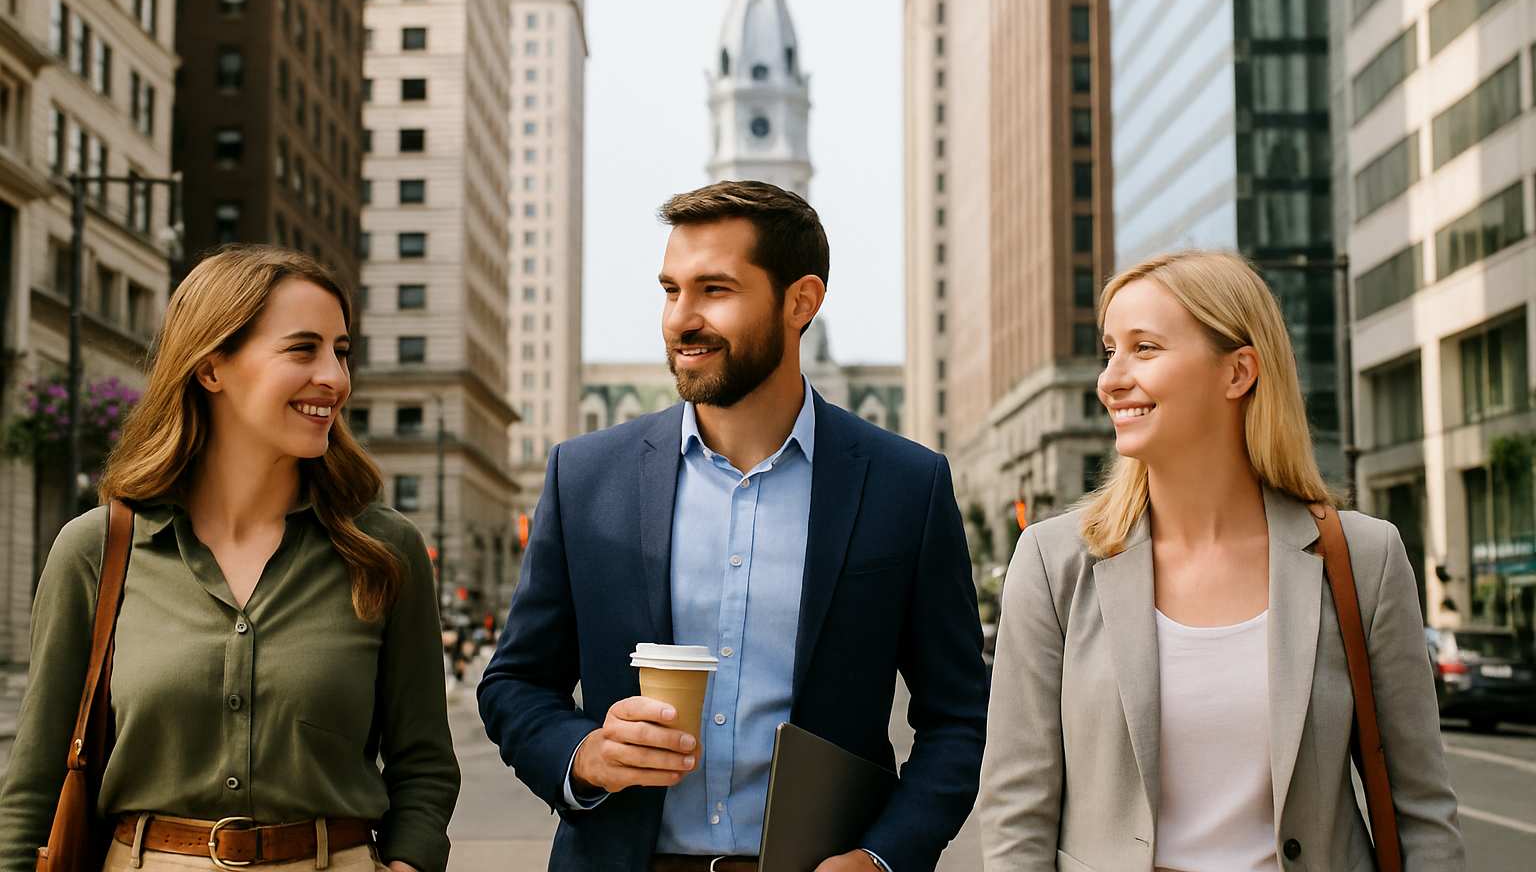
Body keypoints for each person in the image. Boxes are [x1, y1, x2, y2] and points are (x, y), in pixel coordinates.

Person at [478, 182, 988, 871]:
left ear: (799, 302)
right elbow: (514, 684)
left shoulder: (907, 486)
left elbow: (958, 717)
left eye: (714, 290)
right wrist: (584, 755)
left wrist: (881, 857)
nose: (681, 319)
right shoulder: (586, 477)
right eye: (670, 290)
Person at [977, 250, 1464, 871]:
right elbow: (1017, 807)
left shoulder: (1364, 559)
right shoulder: (1051, 563)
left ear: (1238, 373)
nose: (1110, 379)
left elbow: (1421, 809)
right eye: (1110, 350)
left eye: (1145, 348)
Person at [0, 246, 459, 872]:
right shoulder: (98, 550)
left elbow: (425, 761)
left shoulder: (383, 548)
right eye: (303, 349)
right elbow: (36, 780)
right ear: (212, 368)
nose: (335, 377)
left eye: (341, 351)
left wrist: (407, 864)